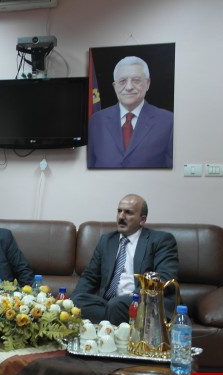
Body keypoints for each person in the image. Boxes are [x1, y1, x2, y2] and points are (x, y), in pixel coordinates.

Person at [71, 194, 179, 325]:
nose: (121, 216)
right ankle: (113, 322)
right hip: (108, 303)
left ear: (142, 220)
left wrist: (133, 297)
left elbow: (165, 277)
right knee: (77, 302)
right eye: (119, 211)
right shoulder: (107, 241)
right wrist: (72, 301)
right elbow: (90, 276)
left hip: (143, 302)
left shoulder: (160, 240)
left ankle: (109, 324)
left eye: (128, 213)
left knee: (116, 305)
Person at [87, 56, 173, 169]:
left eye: (136, 80)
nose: (128, 87)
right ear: (115, 86)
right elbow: (90, 165)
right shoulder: (97, 121)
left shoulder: (168, 121)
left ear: (147, 83)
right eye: (122, 81)